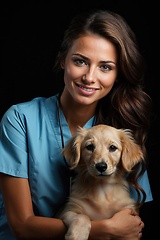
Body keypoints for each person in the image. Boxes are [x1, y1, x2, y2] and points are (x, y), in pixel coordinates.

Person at [0, 8, 153, 240]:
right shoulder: (20, 119)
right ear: (63, 60)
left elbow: (129, 225)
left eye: (105, 67)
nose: (90, 77)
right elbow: (21, 226)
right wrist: (105, 228)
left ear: (118, 74)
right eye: (80, 61)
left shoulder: (121, 129)